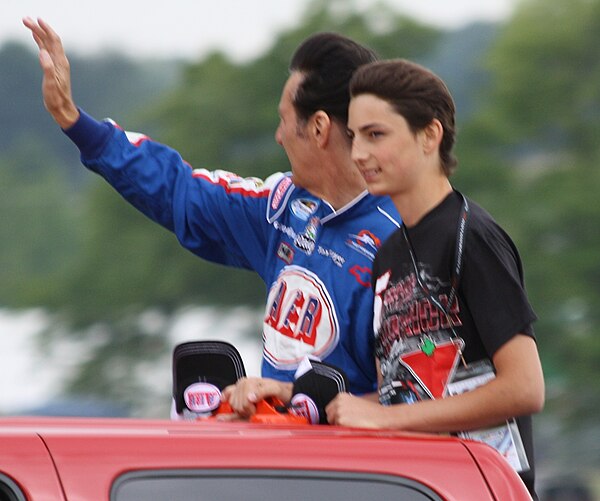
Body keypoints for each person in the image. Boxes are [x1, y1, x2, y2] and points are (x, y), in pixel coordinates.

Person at [23, 19, 401, 408]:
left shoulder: (403, 241)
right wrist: (75, 121)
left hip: (361, 467)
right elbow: (179, 189)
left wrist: (303, 401)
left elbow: (418, 404)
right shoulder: (282, 208)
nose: (278, 135)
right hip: (282, 458)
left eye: (283, 120)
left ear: (319, 128)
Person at [325, 59, 545, 497]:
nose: (359, 154)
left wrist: (385, 418)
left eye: (376, 135)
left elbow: (525, 387)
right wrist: (307, 405)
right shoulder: (386, 254)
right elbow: (405, 400)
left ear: (430, 135)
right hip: (420, 485)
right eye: (353, 137)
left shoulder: (472, 236)